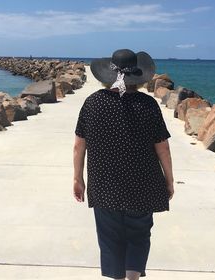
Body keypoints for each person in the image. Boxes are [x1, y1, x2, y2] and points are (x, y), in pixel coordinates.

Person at [73, 49, 174, 280]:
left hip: (104, 185)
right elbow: (163, 148)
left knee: (109, 237)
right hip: (142, 186)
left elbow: (79, 145)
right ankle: (132, 278)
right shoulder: (148, 105)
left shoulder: (93, 103)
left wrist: (78, 178)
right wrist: (168, 180)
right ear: (138, 78)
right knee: (139, 235)